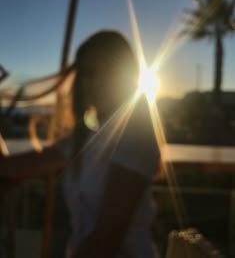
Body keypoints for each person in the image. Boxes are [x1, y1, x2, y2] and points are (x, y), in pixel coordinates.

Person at [0, 30, 160, 258]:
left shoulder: (136, 134)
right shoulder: (85, 138)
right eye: (89, 72)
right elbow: (11, 167)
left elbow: (106, 240)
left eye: (110, 71)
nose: (99, 82)